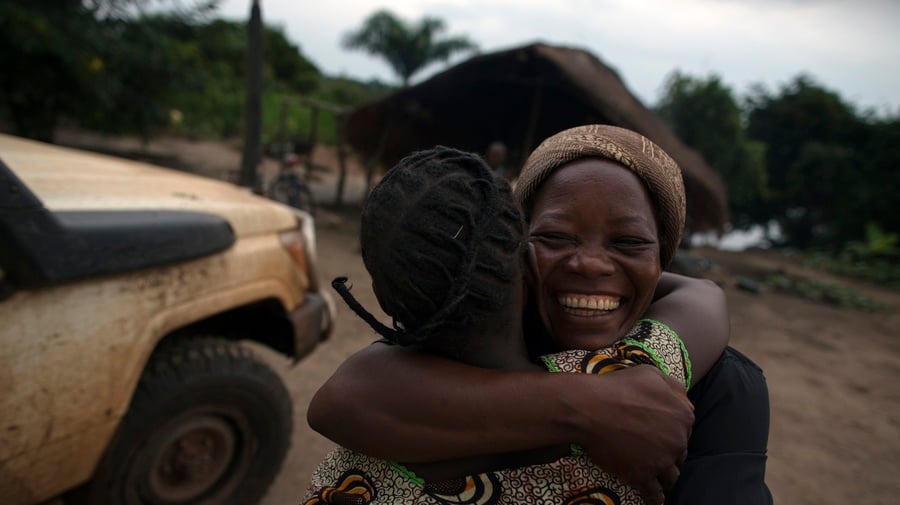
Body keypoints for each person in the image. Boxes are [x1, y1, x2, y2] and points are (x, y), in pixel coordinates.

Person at [308, 125, 772, 504]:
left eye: (629, 243)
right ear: (517, 252)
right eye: (555, 237)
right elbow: (345, 396)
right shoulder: (449, 353)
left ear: (663, 256)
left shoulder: (719, 383)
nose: (590, 264)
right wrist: (586, 409)